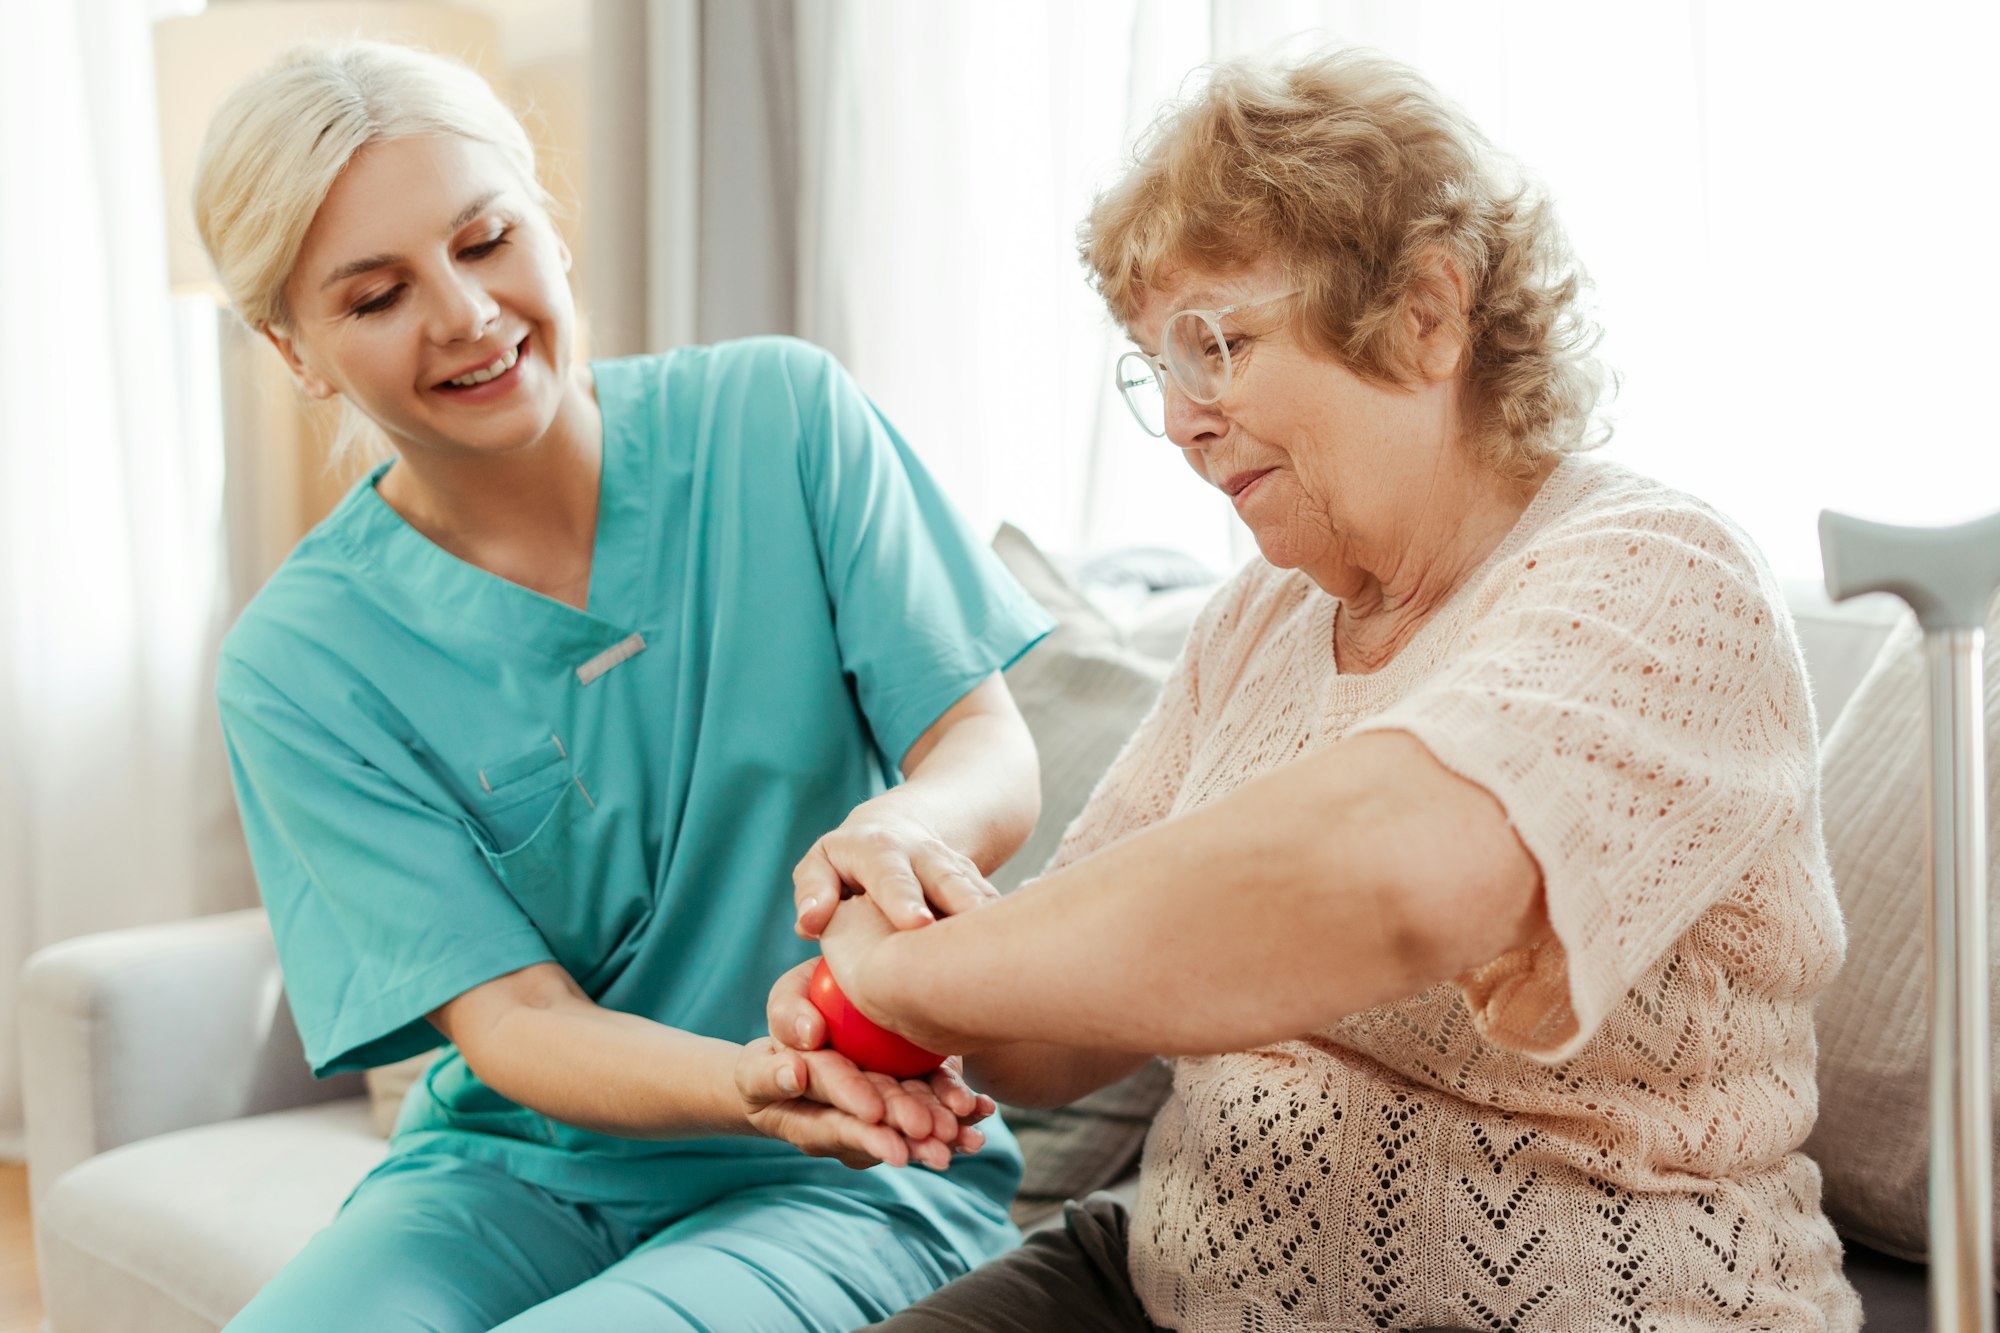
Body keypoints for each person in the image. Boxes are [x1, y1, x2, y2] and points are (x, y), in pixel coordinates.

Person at [773, 48, 1864, 1331]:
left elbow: (1389, 879)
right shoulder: (1254, 620)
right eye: (1156, 371)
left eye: (1216, 344)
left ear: (1424, 311)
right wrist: (876, 967)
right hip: (1164, 1281)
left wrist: (903, 979)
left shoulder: (1658, 574)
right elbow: (1052, 1038)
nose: (1182, 420)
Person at [199, 39, 1052, 1333]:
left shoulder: (784, 418)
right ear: (297, 350)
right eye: (376, 296)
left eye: (485, 240)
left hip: (853, 1167)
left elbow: (983, 744)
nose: (466, 314)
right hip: (510, 1171)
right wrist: (754, 1077)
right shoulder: (299, 660)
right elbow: (517, 1020)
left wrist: (898, 827)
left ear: (551, 224)